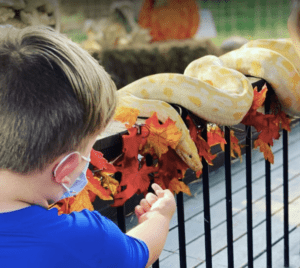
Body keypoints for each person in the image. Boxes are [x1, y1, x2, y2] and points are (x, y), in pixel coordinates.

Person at [0, 25, 176, 268]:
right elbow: (142, 250)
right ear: (65, 167)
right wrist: (160, 217)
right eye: (88, 150)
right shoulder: (84, 239)